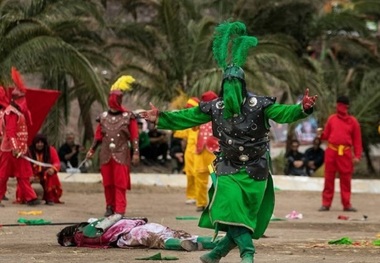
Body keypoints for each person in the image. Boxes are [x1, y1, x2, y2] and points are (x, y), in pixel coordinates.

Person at [140, 21, 318, 263]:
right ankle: (248, 254)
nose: (231, 88)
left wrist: (302, 109)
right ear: (222, 86)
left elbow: (284, 113)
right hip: (228, 166)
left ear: (243, 86)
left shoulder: (260, 106)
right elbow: (187, 117)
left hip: (255, 169)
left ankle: (216, 253)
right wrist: (160, 117)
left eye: (236, 84)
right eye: (227, 84)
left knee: (241, 216)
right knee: (228, 208)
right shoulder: (216, 107)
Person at [86, 75, 140, 217]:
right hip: (105, 154)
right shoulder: (103, 117)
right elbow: (98, 136)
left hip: (121, 153)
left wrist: (136, 153)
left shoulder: (129, 116)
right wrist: (91, 150)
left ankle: (120, 210)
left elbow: (134, 136)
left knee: (120, 184)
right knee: (108, 184)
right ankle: (109, 207)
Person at [57, 214, 218, 251]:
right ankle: (218, 242)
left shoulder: (81, 235)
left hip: (127, 235)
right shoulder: (95, 221)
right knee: (179, 233)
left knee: (158, 240)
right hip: (139, 225)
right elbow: (117, 216)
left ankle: (179, 245)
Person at [0, 67, 40, 207]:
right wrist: (15, 148)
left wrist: (20, 148)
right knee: (3, 175)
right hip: (9, 150)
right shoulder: (11, 113)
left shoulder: (19, 112)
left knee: (23, 174)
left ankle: (30, 198)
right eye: (23, 98)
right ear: (17, 99)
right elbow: (10, 132)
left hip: (19, 150)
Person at [317, 95, 362, 212]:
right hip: (332, 151)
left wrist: (357, 156)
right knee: (328, 179)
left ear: (346, 106)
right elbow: (326, 136)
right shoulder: (332, 119)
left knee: (346, 179)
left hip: (345, 153)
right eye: (339, 105)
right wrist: (320, 134)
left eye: (342, 105)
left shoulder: (353, 122)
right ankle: (326, 204)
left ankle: (347, 204)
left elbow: (357, 141)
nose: (340, 107)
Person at [193, 91, 219, 212]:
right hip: (200, 150)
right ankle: (201, 203)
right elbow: (193, 127)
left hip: (214, 151)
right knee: (199, 176)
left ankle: (217, 202)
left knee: (216, 178)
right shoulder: (199, 115)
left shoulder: (220, 114)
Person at [172, 97, 201, 205]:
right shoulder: (188, 122)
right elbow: (179, 133)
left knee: (198, 175)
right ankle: (191, 196)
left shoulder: (203, 122)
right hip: (189, 152)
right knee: (189, 174)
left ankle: (199, 196)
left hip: (200, 153)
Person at [26, 133, 63, 205]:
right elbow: (25, 165)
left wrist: (52, 169)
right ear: (34, 143)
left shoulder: (51, 150)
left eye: (42, 142)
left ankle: (50, 198)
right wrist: (30, 175)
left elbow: (57, 162)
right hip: (32, 175)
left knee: (52, 175)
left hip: (45, 175)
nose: (40, 144)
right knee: (24, 178)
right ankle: (29, 198)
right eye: (38, 142)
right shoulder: (28, 151)